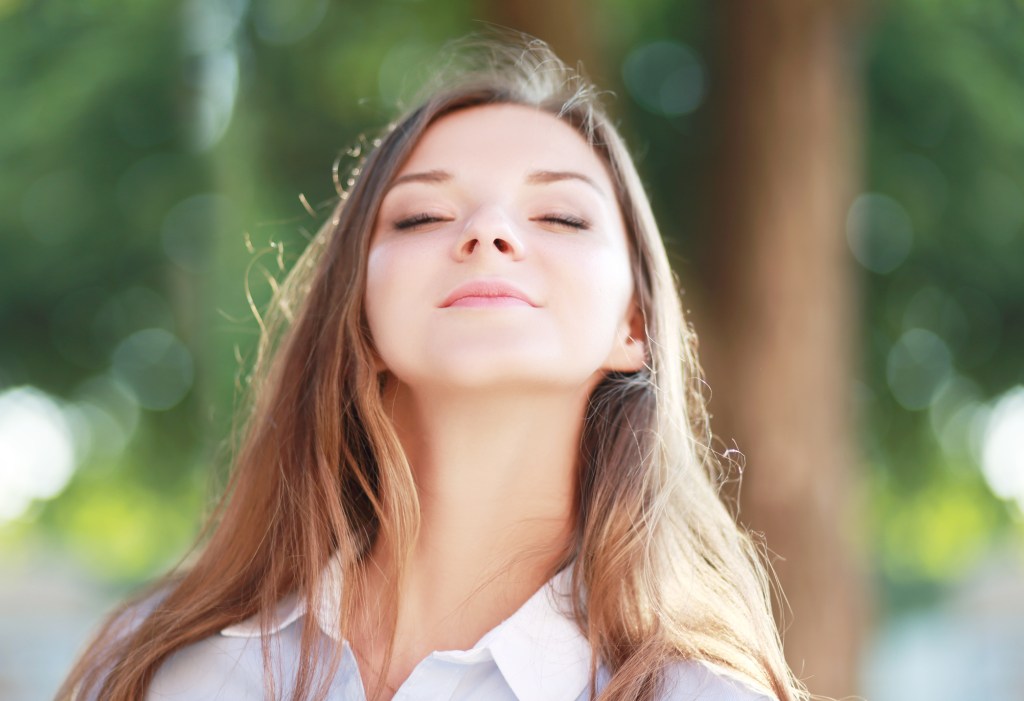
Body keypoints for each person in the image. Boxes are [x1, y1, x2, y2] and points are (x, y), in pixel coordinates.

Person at [57, 33, 808, 701]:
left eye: (560, 216)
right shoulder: (154, 671)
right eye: (422, 215)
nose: (488, 231)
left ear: (634, 326)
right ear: (361, 311)